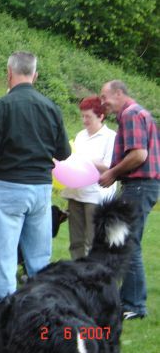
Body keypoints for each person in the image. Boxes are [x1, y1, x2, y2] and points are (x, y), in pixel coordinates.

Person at [0, 51, 71, 305]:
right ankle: (41, 309)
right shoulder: (51, 107)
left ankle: (4, 311)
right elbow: (64, 152)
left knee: (4, 256)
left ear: (9, 73)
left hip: (11, 185)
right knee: (39, 257)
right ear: (35, 75)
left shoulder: (2, 106)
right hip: (41, 189)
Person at [99, 80, 159, 320]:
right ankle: (129, 300)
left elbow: (138, 154)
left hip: (139, 186)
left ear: (119, 93)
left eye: (105, 96)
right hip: (144, 186)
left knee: (128, 244)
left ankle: (134, 304)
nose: (103, 102)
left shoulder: (130, 114)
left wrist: (112, 173)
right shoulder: (140, 113)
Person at [60, 95, 117, 259]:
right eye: (83, 116)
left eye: (88, 117)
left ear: (101, 116)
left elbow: (111, 167)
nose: (84, 120)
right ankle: (78, 274)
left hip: (96, 196)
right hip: (76, 193)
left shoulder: (110, 137)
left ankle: (94, 276)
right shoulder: (80, 136)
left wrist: (88, 162)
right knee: (76, 241)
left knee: (94, 241)